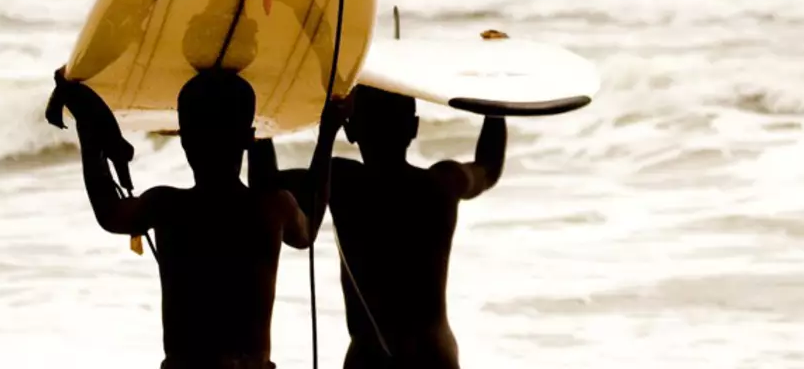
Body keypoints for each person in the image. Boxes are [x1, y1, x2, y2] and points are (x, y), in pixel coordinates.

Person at [46, 67, 345, 369]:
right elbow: (308, 230)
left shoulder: (167, 205)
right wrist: (327, 135)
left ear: (183, 138)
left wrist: (88, 126)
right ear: (248, 138)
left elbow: (109, 213)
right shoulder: (274, 208)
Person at [254, 86, 506, 369]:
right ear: (414, 127)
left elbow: (265, 185)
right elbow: (490, 166)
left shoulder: (343, 182)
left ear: (351, 132)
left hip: (370, 358)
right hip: (434, 356)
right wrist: (494, 106)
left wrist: (262, 118)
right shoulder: (441, 184)